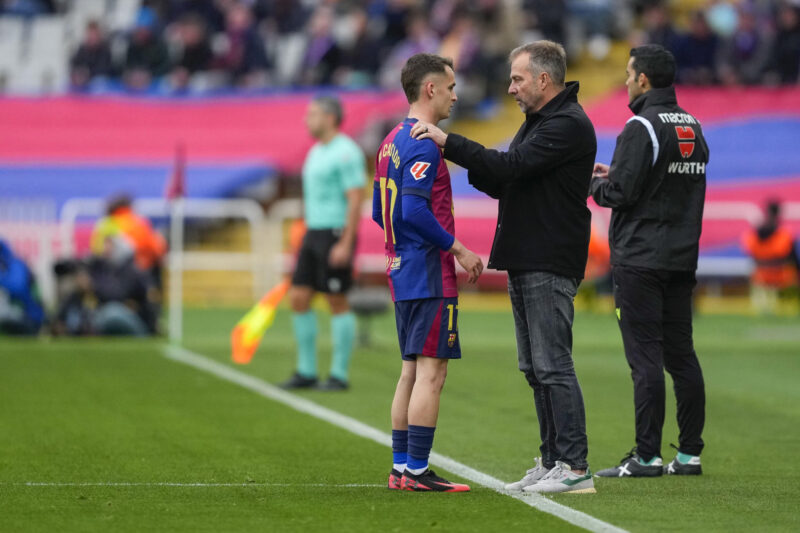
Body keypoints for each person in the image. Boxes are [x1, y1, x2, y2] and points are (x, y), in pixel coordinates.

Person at [412, 40, 596, 494]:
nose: (510, 87)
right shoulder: (540, 123)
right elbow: (507, 180)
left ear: (543, 80)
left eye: (517, 78)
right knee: (535, 367)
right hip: (528, 255)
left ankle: (574, 466)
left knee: (553, 365)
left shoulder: (568, 125)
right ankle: (553, 460)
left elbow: (512, 167)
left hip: (549, 257)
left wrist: (449, 142)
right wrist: (465, 160)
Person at [590, 44, 710, 478]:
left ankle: (646, 456)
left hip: (641, 258)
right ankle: (690, 454)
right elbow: (668, 182)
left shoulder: (640, 125)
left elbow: (621, 194)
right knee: (682, 355)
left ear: (643, 79)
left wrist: (596, 184)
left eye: (628, 73)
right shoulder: (693, 126)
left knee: (644, 358)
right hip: (681, 256)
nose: (624, 80)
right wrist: (619, 173)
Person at [373, 53, 483, 492]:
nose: (456, 95)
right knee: (431, 372)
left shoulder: (389, 141)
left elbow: (383, 215)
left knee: (410, 371)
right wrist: (458, 249)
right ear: (430, 89)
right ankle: (417, 471)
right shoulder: (423, 142)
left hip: (401, 268)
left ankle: (401, 468)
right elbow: (412, 210)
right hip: (429, 273)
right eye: (451, 87)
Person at [280, 95, 365, 392]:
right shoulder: (315, 151)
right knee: (299, 297)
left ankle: (339, 374)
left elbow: (355, 199)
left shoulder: (346, 152)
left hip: (335, 232)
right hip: (313, 233)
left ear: (330, 118)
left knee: (336, 299)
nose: (307, 119)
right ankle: (306, 370)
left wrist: (345, 242)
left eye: (313, 114)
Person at [741, 200, 800, 313]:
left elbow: (752, 254)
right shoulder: (784, 236)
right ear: (779, 214)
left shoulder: (753, 235)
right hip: (782, 277)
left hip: (760, 276)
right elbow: (794, 260)